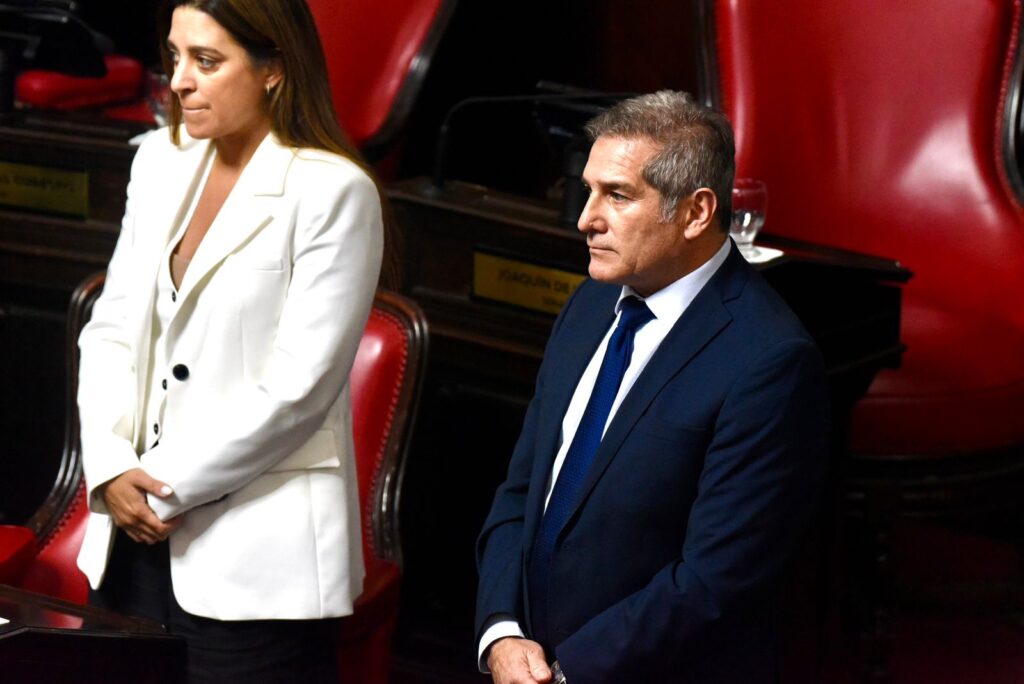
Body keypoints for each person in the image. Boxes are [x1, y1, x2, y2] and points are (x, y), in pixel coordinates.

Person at [475, 91, 830, 683]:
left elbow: (713, 578)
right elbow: (521, 492)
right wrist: (502, 632)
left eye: (617, 195)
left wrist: (567, 675)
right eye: (589, 189)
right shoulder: (589, 304)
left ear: (695, 212)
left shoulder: (770, 362)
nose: (586, 217)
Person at [75, 0, 383, 680]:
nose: (180, 80)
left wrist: (159, 490)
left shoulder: (335, 192)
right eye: (177, 56)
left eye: (207, 61)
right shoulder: (158, 159)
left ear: (274, 69)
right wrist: (109, 466)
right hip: (128, 542)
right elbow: (112, 327)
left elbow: (298, 391)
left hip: (257, 561)